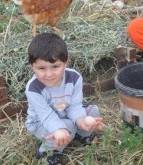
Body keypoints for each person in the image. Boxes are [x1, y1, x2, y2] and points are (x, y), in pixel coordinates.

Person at [25, 33, 105, 164]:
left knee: (93, 111)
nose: (49, 74)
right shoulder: (34, 88)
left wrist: (81, 121)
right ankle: (48, 151)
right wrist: (60, 129)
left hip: (64, 112)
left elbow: (75, 106)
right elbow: (47, 116)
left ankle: (81, 134)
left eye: (55, 66)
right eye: (41, 68)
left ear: (66, 62)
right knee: (67, 127)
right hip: (41, 123)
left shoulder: (74, 78)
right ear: (32, 66)